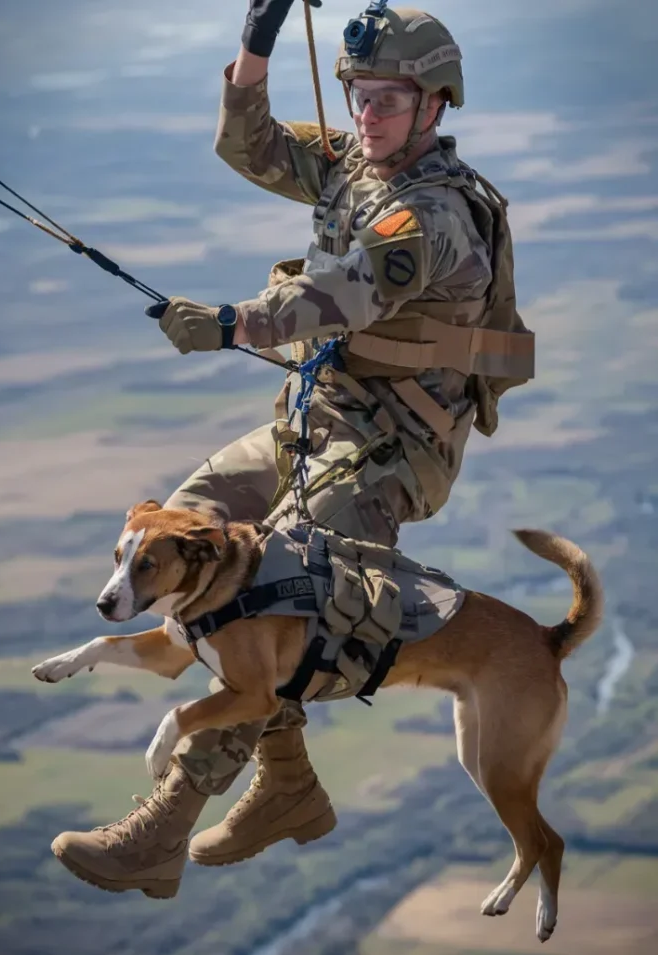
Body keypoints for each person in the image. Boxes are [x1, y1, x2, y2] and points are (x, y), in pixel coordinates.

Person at [51, 1, 533, 897]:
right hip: (313, 422)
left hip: (392, 446)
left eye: (390, 97)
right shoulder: (359, 163)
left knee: (275, 591)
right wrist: (256, 42)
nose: (369, 113)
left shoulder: (426, 219)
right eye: (359, 94)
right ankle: (287, 784)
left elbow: (339, 297)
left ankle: (164, 830)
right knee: (186, 525)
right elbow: (251, 146)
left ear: (434, 105)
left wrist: (229, 322)